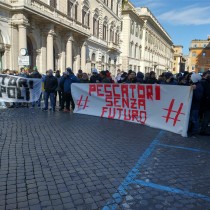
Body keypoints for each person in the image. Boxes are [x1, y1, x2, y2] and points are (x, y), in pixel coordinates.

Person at [199, 70, 210, 135]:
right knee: (206, 117)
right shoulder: (205, 83)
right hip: (206, 103)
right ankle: (202, 130)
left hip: (202, 102)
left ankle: (199, 129)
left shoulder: (201, 82)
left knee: (200, 117)